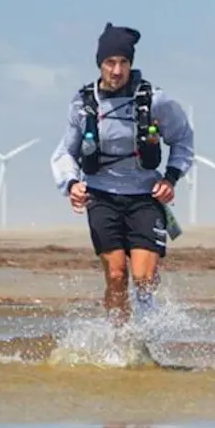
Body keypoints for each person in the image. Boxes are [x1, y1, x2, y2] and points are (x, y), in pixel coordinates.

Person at [51, 23, 195, 341]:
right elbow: (64, 153)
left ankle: (148, 328)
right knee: (117, 275)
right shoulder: (82, 104)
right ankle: (121, 340)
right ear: (100, 64)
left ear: (131, 64)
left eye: (123, 63)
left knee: (142, 278)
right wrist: (71, 184)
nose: (117, 71)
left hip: (145, 194)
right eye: (110, 63)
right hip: (101, 195)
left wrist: (172, 177)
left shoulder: (155, 101)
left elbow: (183, 139)